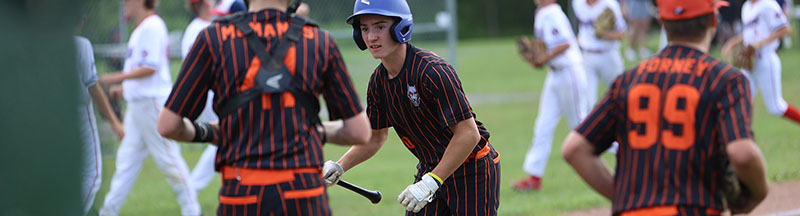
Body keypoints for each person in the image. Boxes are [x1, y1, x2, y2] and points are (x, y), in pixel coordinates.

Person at [157, 0, 371, 214]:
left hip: (242, 193)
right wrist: (315, 131)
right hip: (304, 194)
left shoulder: (214, 38)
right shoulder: (318, 40)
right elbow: (358, 131)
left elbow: (168, 125)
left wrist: (211, 132)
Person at [563, 0, 770, 214]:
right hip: (693, 208)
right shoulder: (724, 80)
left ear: (662, 22)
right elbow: (742, 154)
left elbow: (574, 149)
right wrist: (758, 194)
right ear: (713, 20)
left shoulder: (627, 81)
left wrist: (626, 196)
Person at [321, 0, 501, 214]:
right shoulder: (377, 83)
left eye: (379, 27)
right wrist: (339, 166)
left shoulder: (432, 72)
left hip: (472, 169)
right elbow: (376, 137)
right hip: (430, 169)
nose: (371, 37)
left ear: (401, 27)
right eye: (364, 29)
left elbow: (469, 134)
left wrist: (431, 182)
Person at [96, 0, 201, 215]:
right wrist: (124, 88)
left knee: (169, 161)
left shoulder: (153, 25)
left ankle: (193, 211)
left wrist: (112, 79)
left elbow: (150, 68)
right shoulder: (142, 27)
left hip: (152, 104)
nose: (125, 4)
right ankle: (107, 211)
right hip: (138, 106)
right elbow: (143, 71)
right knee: (125, 165)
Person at [512, 0, 591, 191]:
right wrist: (538, 59)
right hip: (555, 74)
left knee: (581, 125)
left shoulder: (552, 12)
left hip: (569, 72)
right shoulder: (541, 12)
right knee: (543, 125)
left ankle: (619, 153)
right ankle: (534, 177)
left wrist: (544, 58)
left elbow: (565, 43)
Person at [180, 0, 246, 192]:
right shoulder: (201, 29)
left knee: (224, 137)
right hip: (209, 92)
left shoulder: (201, 27)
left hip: (210, 90)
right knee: (226, 134)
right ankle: (193, 188)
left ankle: (194, 188)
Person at [74, 16, 125, 215]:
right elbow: (93, 88)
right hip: (75, 115)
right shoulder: (79, 45)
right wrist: (114, 122)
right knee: (92, 176)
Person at [722, 0, 800, 126]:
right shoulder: (746, 6)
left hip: (766, 59)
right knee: (741, 100)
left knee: (776, 107)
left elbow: (785, 29)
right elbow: (749, 32)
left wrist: (759, 43)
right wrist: (732, 42)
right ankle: (742, 136)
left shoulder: (768, 4)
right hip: (750, 62)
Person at [572, 0, 626, 106]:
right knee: (587, 101)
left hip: (608, 55)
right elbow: (583, 30)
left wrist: (603, 34)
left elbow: (621, 34)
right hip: (587, 56)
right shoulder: (578, 3)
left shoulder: (609, 4)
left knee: (619, 95)